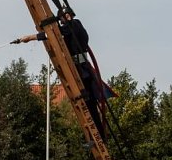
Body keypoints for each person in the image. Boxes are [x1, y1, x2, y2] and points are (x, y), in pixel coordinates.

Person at [14, 7, 105, 136]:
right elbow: (57, 34)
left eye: (65, 17)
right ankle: (94, 136)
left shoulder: (74, 25)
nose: (64, 19)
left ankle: (97, 136)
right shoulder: (70, 28)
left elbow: (53, 35)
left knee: (88, 104)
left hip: (81, 70)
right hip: (79, 69)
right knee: (87, 105)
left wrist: (30, 37)